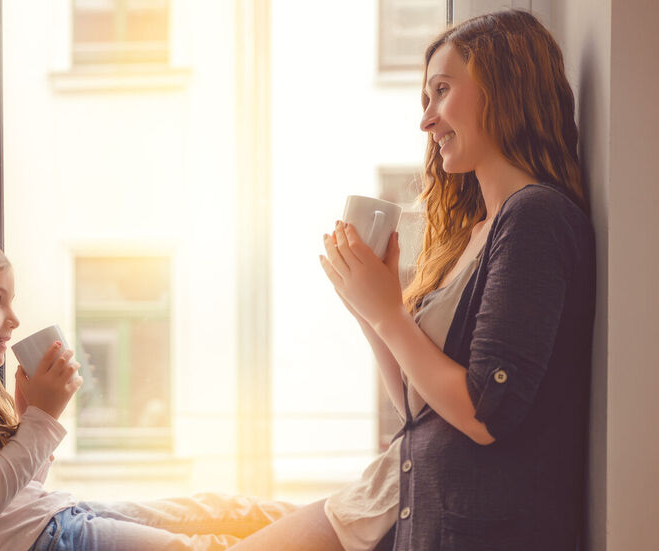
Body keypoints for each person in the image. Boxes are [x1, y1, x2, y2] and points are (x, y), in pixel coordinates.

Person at [227, 9, 595, 551]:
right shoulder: (479, 232)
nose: (427, 121)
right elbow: (418, 405)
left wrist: (387, 313)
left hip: (460, 525)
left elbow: (484, 413)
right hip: (401, 506)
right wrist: (367, 306)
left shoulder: (536, 217)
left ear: (505, 86)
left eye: (441, 91)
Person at [0, 234, 295, 551]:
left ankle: (346, 521)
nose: (13, 318)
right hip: (44, 540)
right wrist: (42, 419)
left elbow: (14, 493)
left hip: (51, 522)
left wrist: (30, 415)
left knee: (217, 508)